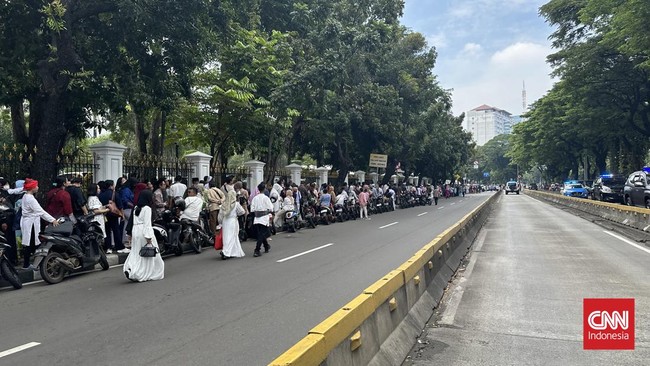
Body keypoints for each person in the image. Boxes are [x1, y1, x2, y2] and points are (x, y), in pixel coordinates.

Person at [123, 189, 165, 282]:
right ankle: (143, 273)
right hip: (143, 232)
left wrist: (129, 234)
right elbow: (147, 224)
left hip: (135, 231)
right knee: (149, 254)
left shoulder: (136, 208)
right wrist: (149, 238)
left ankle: (131, 269)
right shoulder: (147, 208)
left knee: (136, 252)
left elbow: (131, 221)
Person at [20, 179, 60, 269]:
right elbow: (40, 211)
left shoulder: (26, 196)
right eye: (36, 186)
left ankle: (32, 263)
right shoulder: (30, 199)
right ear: (32, 188)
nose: (37, 187)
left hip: (30, 222)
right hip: (31, 223)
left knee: (31, 243)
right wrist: (52, 220)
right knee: (31, 243)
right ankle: (30, 264)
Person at [219, 181, 246, 260]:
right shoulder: (236, 204)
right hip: (232, 221)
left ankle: (230, 251)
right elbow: (242, 212)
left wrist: (220, 223)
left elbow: (221, 214)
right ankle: (226, 252)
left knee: (226, 237)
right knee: (232, 237)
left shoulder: (224, 204)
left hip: (225, 221)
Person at [98, 180, 124, 254]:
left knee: (107, 231)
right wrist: (122, 214)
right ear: (111, 185)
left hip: (104, 214)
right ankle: (118, 246)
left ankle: (108, 247)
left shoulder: (101, 194)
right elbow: (120, 205)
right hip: (113, 215)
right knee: (116, 230)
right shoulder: (114, 193)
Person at [250, 182, 273, 257]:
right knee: (261, 234)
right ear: (264, 189)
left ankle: (266, 246)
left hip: (257, 218)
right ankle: (257, 249)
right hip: (264, 218)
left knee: (261, 233)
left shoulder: (255, 198)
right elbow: (271, 208)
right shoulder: (266, 198)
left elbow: (252, 209)